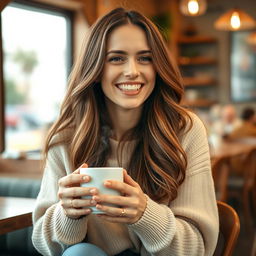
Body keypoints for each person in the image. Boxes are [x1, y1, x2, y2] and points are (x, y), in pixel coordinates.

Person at [32, 7, 218, 256]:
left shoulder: (184, 130)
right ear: (96, 69)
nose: (132, 70)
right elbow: (45, 246)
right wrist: (68, 214)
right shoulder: (66, 137)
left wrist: (145, 215)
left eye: (145, 58)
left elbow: (198, 248)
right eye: (116, 58)